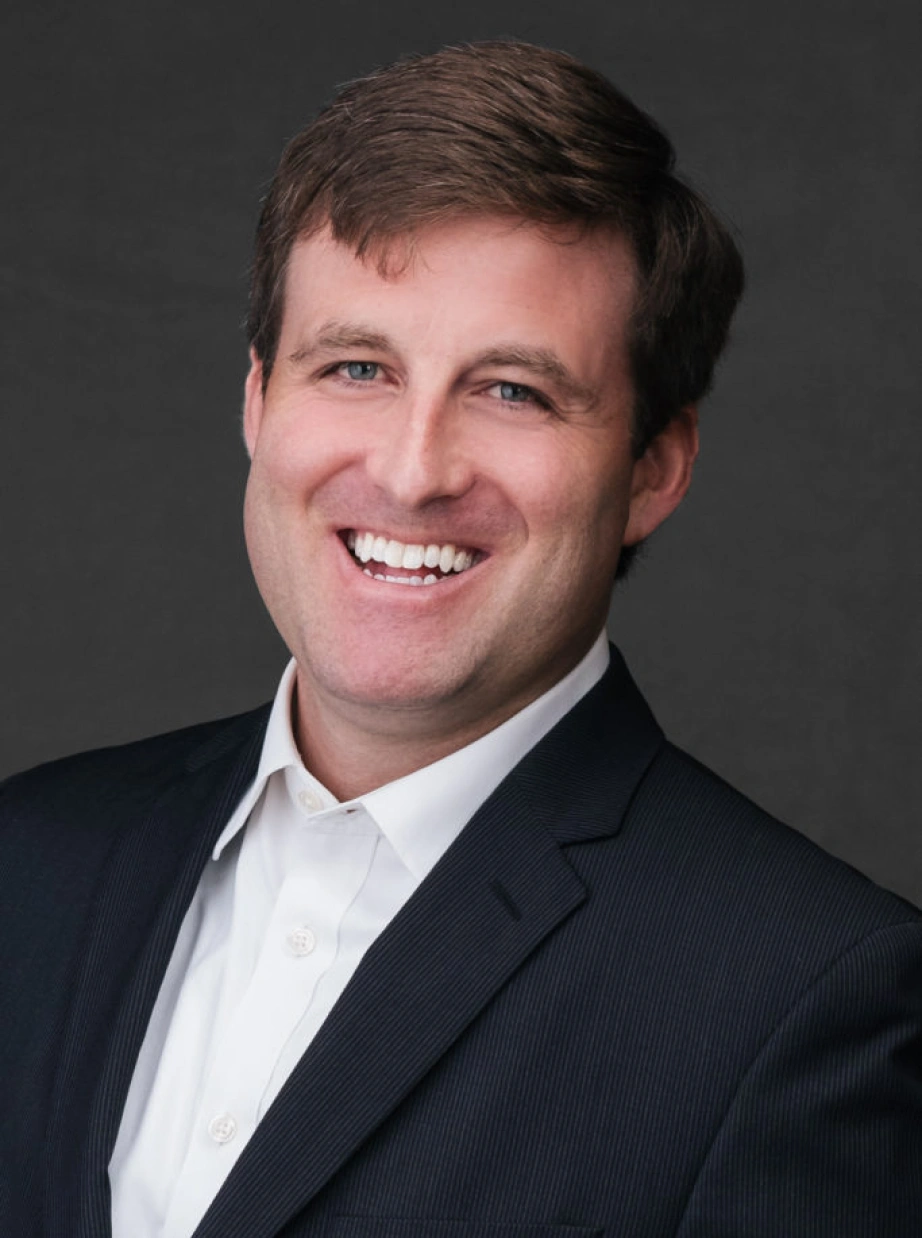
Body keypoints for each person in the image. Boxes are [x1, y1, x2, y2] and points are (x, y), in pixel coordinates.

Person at [1, 40, 920, 1238]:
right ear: (256, 402)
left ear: (654, 466)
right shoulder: (28, 861)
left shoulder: (806, 996)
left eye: (513, 391)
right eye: (355, 365)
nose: (410, 467)